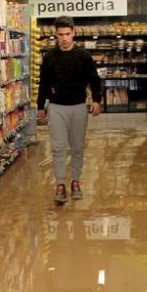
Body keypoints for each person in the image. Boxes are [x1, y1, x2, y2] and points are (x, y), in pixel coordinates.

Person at [36, 16, 102, 204]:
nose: (64, 38)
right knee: (57, 148)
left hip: (79, 107)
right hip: (56, 108)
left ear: (73, 33)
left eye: (67, 34)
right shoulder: (50, 57)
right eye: (60, 35)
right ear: (55, 35)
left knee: (78, 148)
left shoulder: (83, 56)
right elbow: (44, 84)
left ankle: (75, 182)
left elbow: (94, 79)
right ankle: (60, 185)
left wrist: (96, 99)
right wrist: (41, 106)